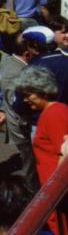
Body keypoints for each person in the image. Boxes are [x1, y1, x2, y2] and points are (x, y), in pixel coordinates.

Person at [16, 25, 68, 119]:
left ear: (34, 45)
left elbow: (19, 106)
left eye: (27, 45)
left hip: (43, 126)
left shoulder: (29, 71)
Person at [0, 35, 35, 187]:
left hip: (13, 118)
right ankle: (30, 188)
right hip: (20, 122)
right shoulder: (18, 71)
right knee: (29, 157)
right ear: (26, 53)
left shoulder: (7, 61)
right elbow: (15, 101)